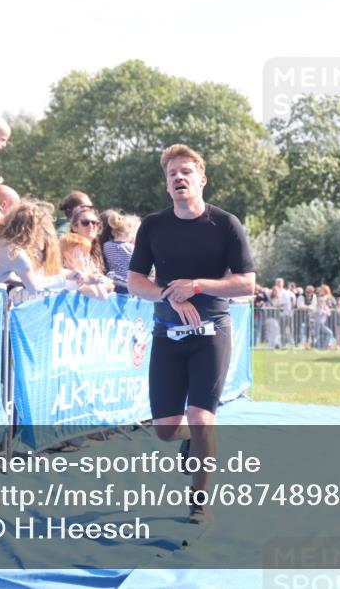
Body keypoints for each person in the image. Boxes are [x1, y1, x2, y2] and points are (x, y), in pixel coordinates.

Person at [127, 144, 255, 526]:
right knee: (166, 430)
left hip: (211, 334)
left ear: (202, 179)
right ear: (167, 186)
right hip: (167, 335)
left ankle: (200, 501)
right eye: (172, 174)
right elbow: (135, 281)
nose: (179, 178)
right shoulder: (153, 225)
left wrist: (197, 286)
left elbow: (247, 283)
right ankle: (193, 441)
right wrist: (168, 292)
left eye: (186, 172)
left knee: (202, 419)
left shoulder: (226, 224)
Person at [0, 200, 81, 294]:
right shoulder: (17, 254)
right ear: (30, 231)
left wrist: (20, 281)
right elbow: (34, 288)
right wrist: (65, 277)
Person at [60, 233, 113, 299]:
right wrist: (84, 271)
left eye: (87, 255)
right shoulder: (64, 273)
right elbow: (94, 293)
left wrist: (92, 277)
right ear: (68, 256)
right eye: (83, 255)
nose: (87, 258)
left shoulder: (83, 273)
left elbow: (104, 296)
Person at [102, 211, 140, 295]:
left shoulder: (106, 246)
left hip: (113, 280)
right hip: (126, 282)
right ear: (128, 233)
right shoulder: (131, 248)